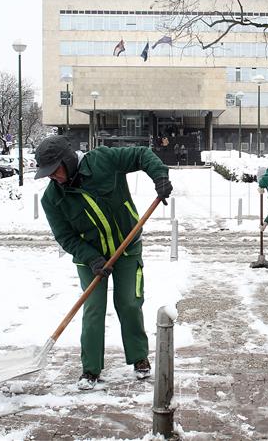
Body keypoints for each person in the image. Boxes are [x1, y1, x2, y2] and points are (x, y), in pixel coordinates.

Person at [35, 135, 173, 390]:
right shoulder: (52, 199)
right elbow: (64, 236)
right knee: (93, 310)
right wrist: (92, 258)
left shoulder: (103, 160)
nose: (53, 177)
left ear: (67, 160)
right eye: (48, 174)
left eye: (55, 171)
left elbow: (141, 154)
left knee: (129, 303)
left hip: (127, 248)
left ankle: (139, 357)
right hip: (90, 259)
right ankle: (90, 370)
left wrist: (160, 177)